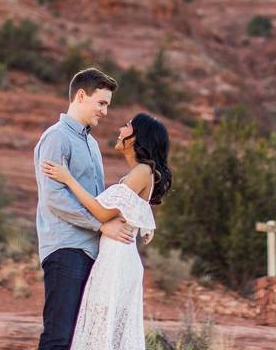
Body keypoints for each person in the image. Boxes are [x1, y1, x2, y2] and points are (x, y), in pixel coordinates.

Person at [41, 111, 172, 350]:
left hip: (118, 261)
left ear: (135, 138)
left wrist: (68, 179)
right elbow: (132, 207)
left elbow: (102, 212)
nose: (120, 130)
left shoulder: (142, 172)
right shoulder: (139, 174)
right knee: (103, 331)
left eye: (126, 126)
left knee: (103, 332)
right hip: (116, 258)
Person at [34, 68, 135, 350]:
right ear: (81, 95)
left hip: (91, 250)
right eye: (101, 103)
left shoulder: (90, 142)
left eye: (107, 105)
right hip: (66, 248)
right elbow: (54, 199)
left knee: (80, 338)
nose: (105, 111)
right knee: (59, 337)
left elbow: (96, 199)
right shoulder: (56, 138)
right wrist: (101, 225)